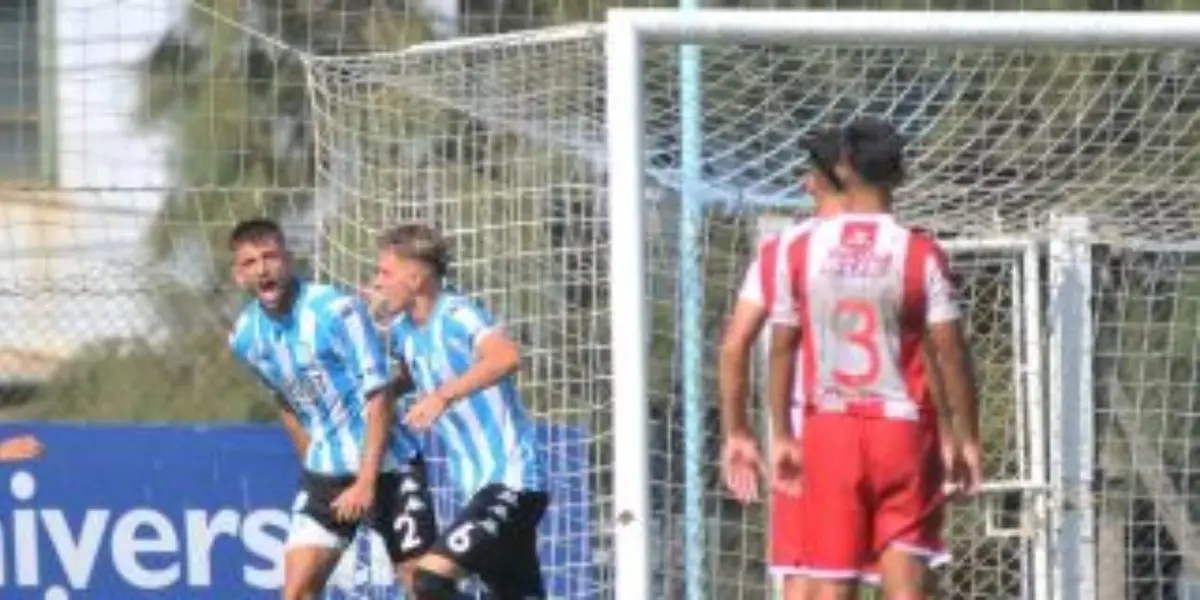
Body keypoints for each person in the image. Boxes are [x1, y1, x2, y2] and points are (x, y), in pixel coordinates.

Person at [766, 118, 983, 600]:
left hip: (830, 427)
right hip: (901, 429)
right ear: (900, 174)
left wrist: (781, 431)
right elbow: (950, 352)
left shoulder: (799, 250)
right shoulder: (920, 252)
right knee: (906, 583)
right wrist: (967, 437)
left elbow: (781, 347)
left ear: (842, 169)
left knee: (831, 584)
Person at [225, 218, 436, 600]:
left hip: (389, 465)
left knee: (422, 586)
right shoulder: (246, 338)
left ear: (288, 260)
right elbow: (284, 398)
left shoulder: (336, 310)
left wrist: (366, 482)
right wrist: (312, 461)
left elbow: (380, 395)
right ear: (239, 275)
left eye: (270, 257)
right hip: (327, 473)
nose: (263, 269)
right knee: (296, 593)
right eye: (250, 262)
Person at [371, 223, 548, 600]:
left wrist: (442, 397)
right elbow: (409, 375)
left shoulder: (457, 313)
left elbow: (506, 357)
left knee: (429, 581)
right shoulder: (404, 331)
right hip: (475, 487)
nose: (378, 282)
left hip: (512, 481)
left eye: (385, 273)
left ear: (415, 278)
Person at [718, 127, 846, 600]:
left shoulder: (783, 251)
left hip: (806, 428)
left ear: (815, 182)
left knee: (806, 575)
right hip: (886, 426)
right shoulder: (903, 244)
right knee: (901, 570)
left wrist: (738, 431)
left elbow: (734, 346)